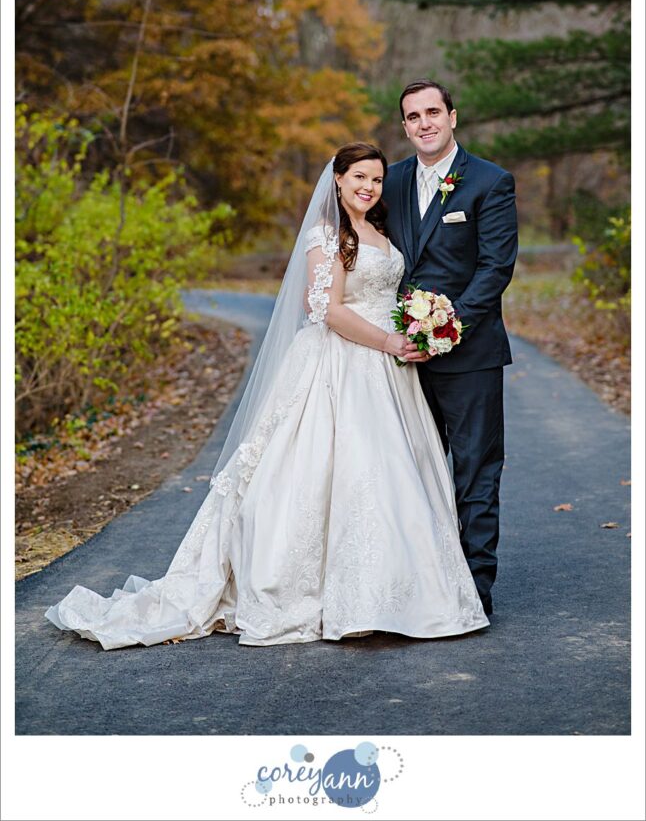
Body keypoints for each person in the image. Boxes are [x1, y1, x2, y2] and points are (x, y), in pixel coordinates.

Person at [44, 142, 489, 649]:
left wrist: (415, 326)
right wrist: (388, 339)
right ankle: (332, 596)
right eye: (359, 177)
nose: (368, 187)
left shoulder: (380, 232)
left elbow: (387, 291)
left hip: (389, 373)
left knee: (391, 475)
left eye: (377, 180)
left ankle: (397, 595)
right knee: (336, 472)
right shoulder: (327, 234)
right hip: (341, 361)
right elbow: (326, 308)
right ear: (337, 180)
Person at [383, 80, 518, 617]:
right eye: (413, 116)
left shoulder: (490, 182)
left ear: (453, 117)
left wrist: (444, 327)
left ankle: (473, 591)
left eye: (432, 112)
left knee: (475, 472)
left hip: (470, 355)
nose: (424, 123)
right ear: (405, 126)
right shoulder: (387, 181)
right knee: (407, 469)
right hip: (398, 357)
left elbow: (495, 269)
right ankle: (417, 584)